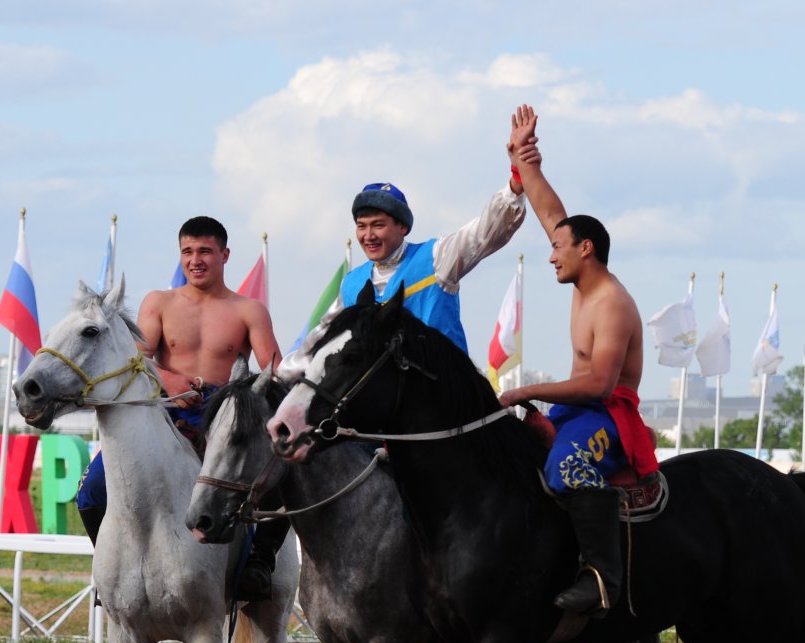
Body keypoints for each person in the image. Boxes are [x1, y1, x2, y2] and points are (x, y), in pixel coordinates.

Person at [496, 105, 659, 617]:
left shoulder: (611, 302)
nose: (551, 254)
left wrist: (526, 391)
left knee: (568, 467)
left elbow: (597, 384)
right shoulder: (580, 274)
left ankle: (601, 578)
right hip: (578, 411)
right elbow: (550, 212)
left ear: (586, 249)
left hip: (608, 416)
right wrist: (524, 157)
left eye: (559, 248)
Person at [76, 215, 287, 601]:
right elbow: (136, 362)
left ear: (224, 254)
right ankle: (109, 576)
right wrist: (169, 380)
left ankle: (260, 561)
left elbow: (274, 372)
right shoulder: (159, 302)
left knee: (281, 475)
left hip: (222, 422)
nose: (196, 260)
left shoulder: (248, 310)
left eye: (205, 251)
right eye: (188, 251)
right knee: (91, 491)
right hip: (163, 417)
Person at [278, 136, 537, 379]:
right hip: (387, 406)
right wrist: (278, 377)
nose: (368, 235)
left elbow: (485, 232)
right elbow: (317, 341)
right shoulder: (352, 284)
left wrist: (516, 179)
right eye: (361, 226)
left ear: (402, 227)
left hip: (446, 395)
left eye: (378, 225)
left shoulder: (436, 259)